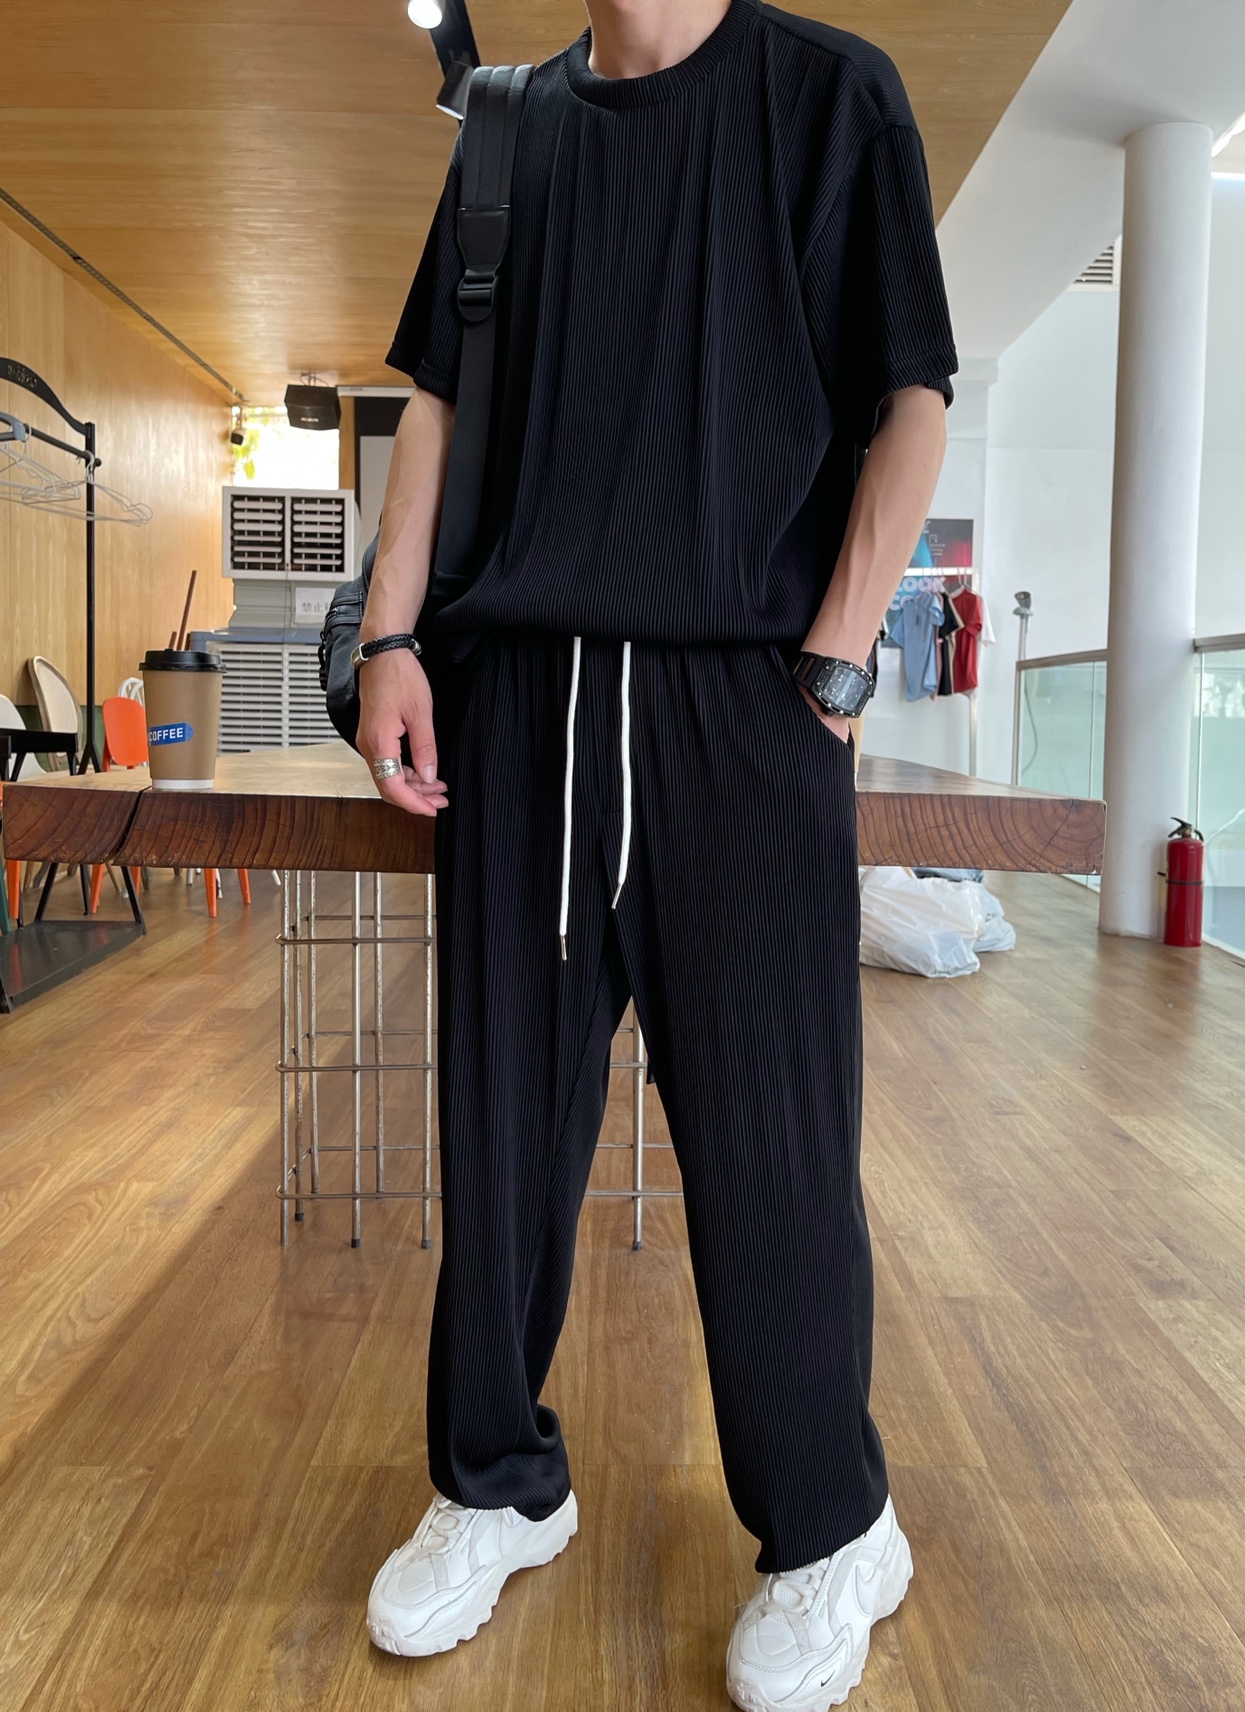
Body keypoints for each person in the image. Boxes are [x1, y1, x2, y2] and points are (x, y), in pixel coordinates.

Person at [357, 2, 954, 1706]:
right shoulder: (506, 126)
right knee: (501, 1137)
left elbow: (911, 397)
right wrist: (389, 638)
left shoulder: (830, 98)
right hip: (522, 702)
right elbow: (437, 404)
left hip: (741, 709)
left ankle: (837, 1529)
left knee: (773, 1150)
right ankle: (496, 1485)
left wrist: (831, 667)